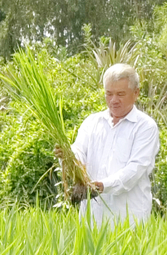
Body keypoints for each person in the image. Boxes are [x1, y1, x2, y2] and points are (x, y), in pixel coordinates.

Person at [54, 63, 160, 227]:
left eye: (120, 94)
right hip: (92, 218)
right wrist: (68, 157)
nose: (113, 100)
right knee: (91, 253)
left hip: (129, 218)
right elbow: (79, 151)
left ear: (136, 93)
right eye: (109, 94)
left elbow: (135, 170)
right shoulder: (92, 122)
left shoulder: (145, 127)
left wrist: (102, 186)